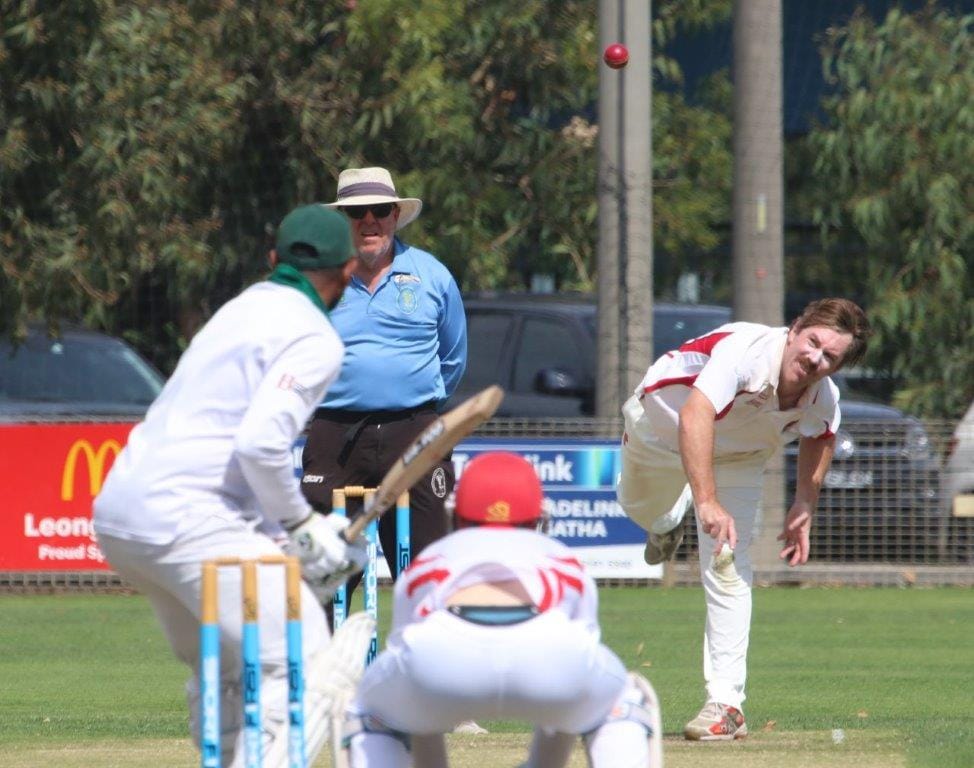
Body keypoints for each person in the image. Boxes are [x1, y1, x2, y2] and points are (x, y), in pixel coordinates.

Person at [93, 205, 376, 767]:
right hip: (188, 515)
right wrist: (303, 527)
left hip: (121, 514)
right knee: (308, 660)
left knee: (228, 668)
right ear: (348, 271)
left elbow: (234, 448)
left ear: (273, 260)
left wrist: (286, 540)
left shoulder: (237, 310)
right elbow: (258, 445)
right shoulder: (316, 337)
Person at [616, 297, 872, 741]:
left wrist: (804, 504)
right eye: (812, 342)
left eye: (830, 356)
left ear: (837, 366)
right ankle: (666, 522)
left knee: (729, 564)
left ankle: (726, 704)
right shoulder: (745, 351)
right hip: (660, 428)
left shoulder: (823, 395)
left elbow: (822, 435)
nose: (815, 359)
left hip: (739, 456)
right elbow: (697, 414)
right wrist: (706, 501)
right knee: (640, 508)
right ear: (794, 330)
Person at [341, 451, 663, 768]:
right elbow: (584, 642)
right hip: (552, 656)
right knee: (618, 702)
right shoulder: (562, 559)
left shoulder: (430, 560)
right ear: (539, 520)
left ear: (456, 517)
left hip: (441, 659)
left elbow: (405, 642)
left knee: (375, 708)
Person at [300, 167, 467, 613]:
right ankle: (319, 676)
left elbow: (452, 358)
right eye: (357, 211)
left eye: (380, 210)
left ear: (396, 215)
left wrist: (415, 405)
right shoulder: (318, 281)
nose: (369, 220)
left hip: (412, 431)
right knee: (322, 573)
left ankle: (429, 675)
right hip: (335, 434)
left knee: (427, 568)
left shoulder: (432, 275)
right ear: (342, 220)